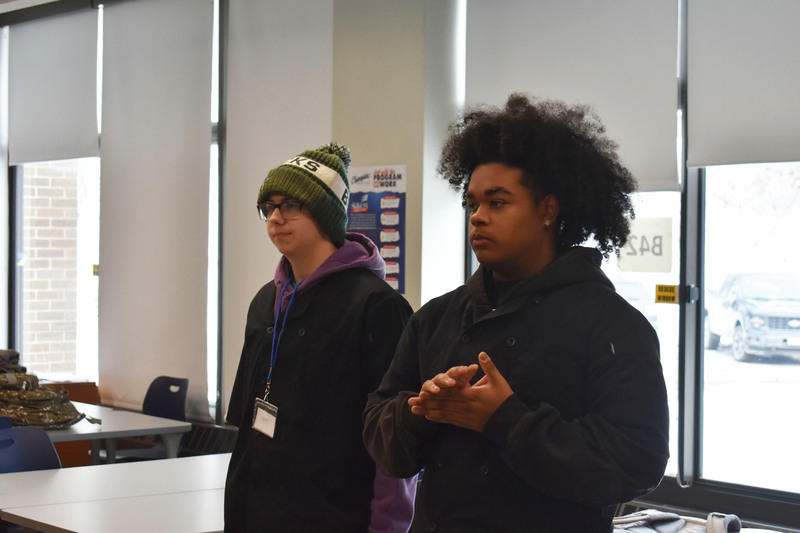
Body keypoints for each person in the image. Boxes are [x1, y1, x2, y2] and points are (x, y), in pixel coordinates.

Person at [362, 94, 670, 532]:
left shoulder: (612, 324)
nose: (478, 218)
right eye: (471, 204)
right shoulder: (436, 318)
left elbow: (636, 461)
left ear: (548, 209)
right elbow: (381, 440)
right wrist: (421, 411)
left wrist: (505, 419)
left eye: (497, 203)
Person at [225, 142, 416, 532]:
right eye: (268, 207)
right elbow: (248, 427)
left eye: (291, 205)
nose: (276, 217)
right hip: (258, 512)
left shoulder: (376, 307)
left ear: (328, 215)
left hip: (334, 515)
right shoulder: (267, 300)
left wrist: (387, 526)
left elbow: (392, 442)